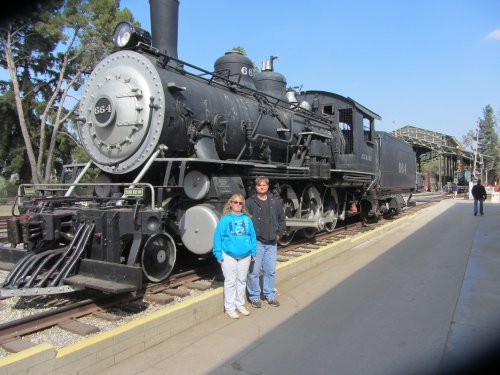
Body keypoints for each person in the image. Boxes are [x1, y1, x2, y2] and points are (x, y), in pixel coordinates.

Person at [213, 193, 256, 319]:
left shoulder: (247, 219)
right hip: (228, 255)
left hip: (245, 255)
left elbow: (252, 236)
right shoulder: (225, 219)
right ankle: (230, 307)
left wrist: (253, 252)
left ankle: (240, 304)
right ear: (230, 204)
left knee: (241, 280)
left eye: (240, 203)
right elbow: (217, 238)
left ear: (243, 205)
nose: (238, 204)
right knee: (230, 281)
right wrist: (218, 254)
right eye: (235, 202)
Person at [246, 176, 286, 308]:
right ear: (255, 187)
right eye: (259, 185)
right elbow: (245, 221)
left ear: (268, 186)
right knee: (254, 272)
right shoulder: (250, 202)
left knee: (270, 271)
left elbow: (282, 219)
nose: (262, 187)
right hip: (256, 242)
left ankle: (269, 295)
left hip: (271, 242)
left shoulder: (275, 201)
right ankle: (255, 297)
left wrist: (279, 234)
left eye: (264, 185)